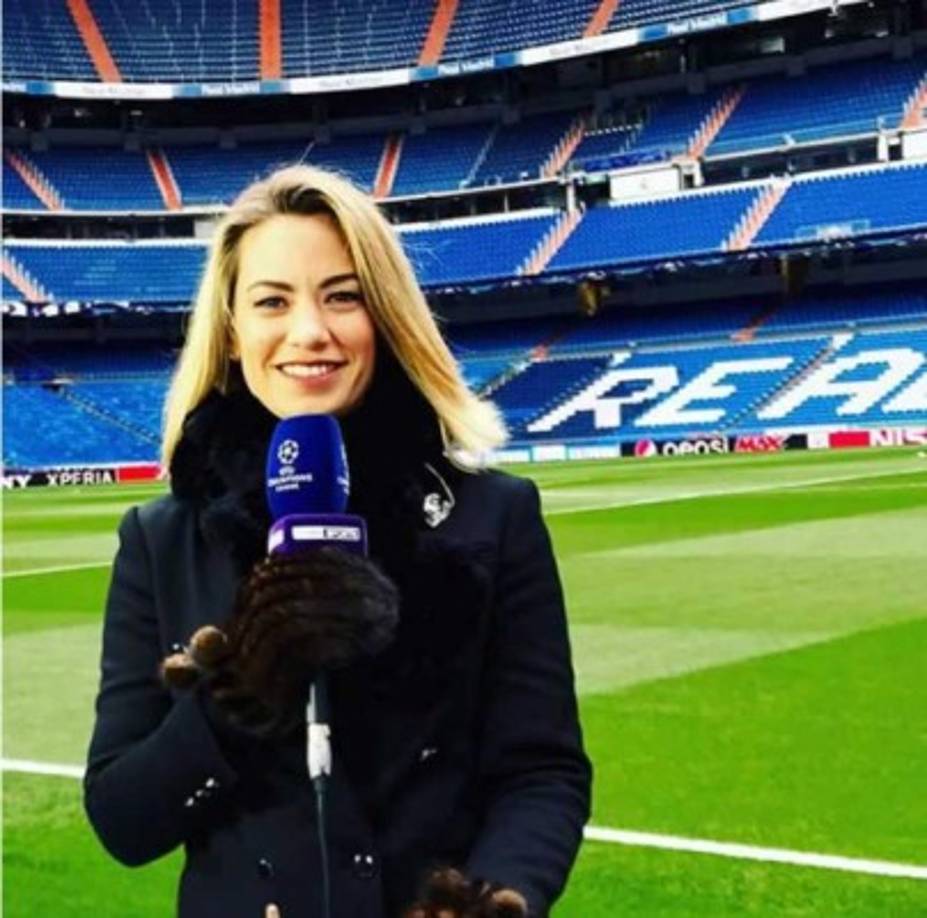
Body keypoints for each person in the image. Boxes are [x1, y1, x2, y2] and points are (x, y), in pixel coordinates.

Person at [84, 164, 591, 918]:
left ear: (384, 317)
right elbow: (122, 820)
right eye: (272, 302)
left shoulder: (495, 517)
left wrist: (490, 899)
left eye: (343, 296)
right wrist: (240, 694)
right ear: (231, 332)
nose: (309, 331)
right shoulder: (161, 539)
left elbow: (541, 772)